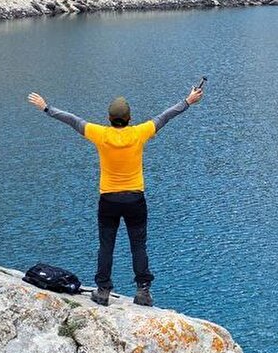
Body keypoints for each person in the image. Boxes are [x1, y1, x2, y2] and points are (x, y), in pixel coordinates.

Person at [27, 82, 204, 307]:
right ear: (130, 119)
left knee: (106, 245)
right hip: (135, 199)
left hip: (109, 199)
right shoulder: (139, 133)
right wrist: (188, 101)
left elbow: (71, 119)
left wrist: (46, 107)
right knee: (138, 245)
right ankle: (143, 291)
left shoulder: (100, 134)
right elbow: (166, 116)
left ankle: (103, 291)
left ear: (109, 119)